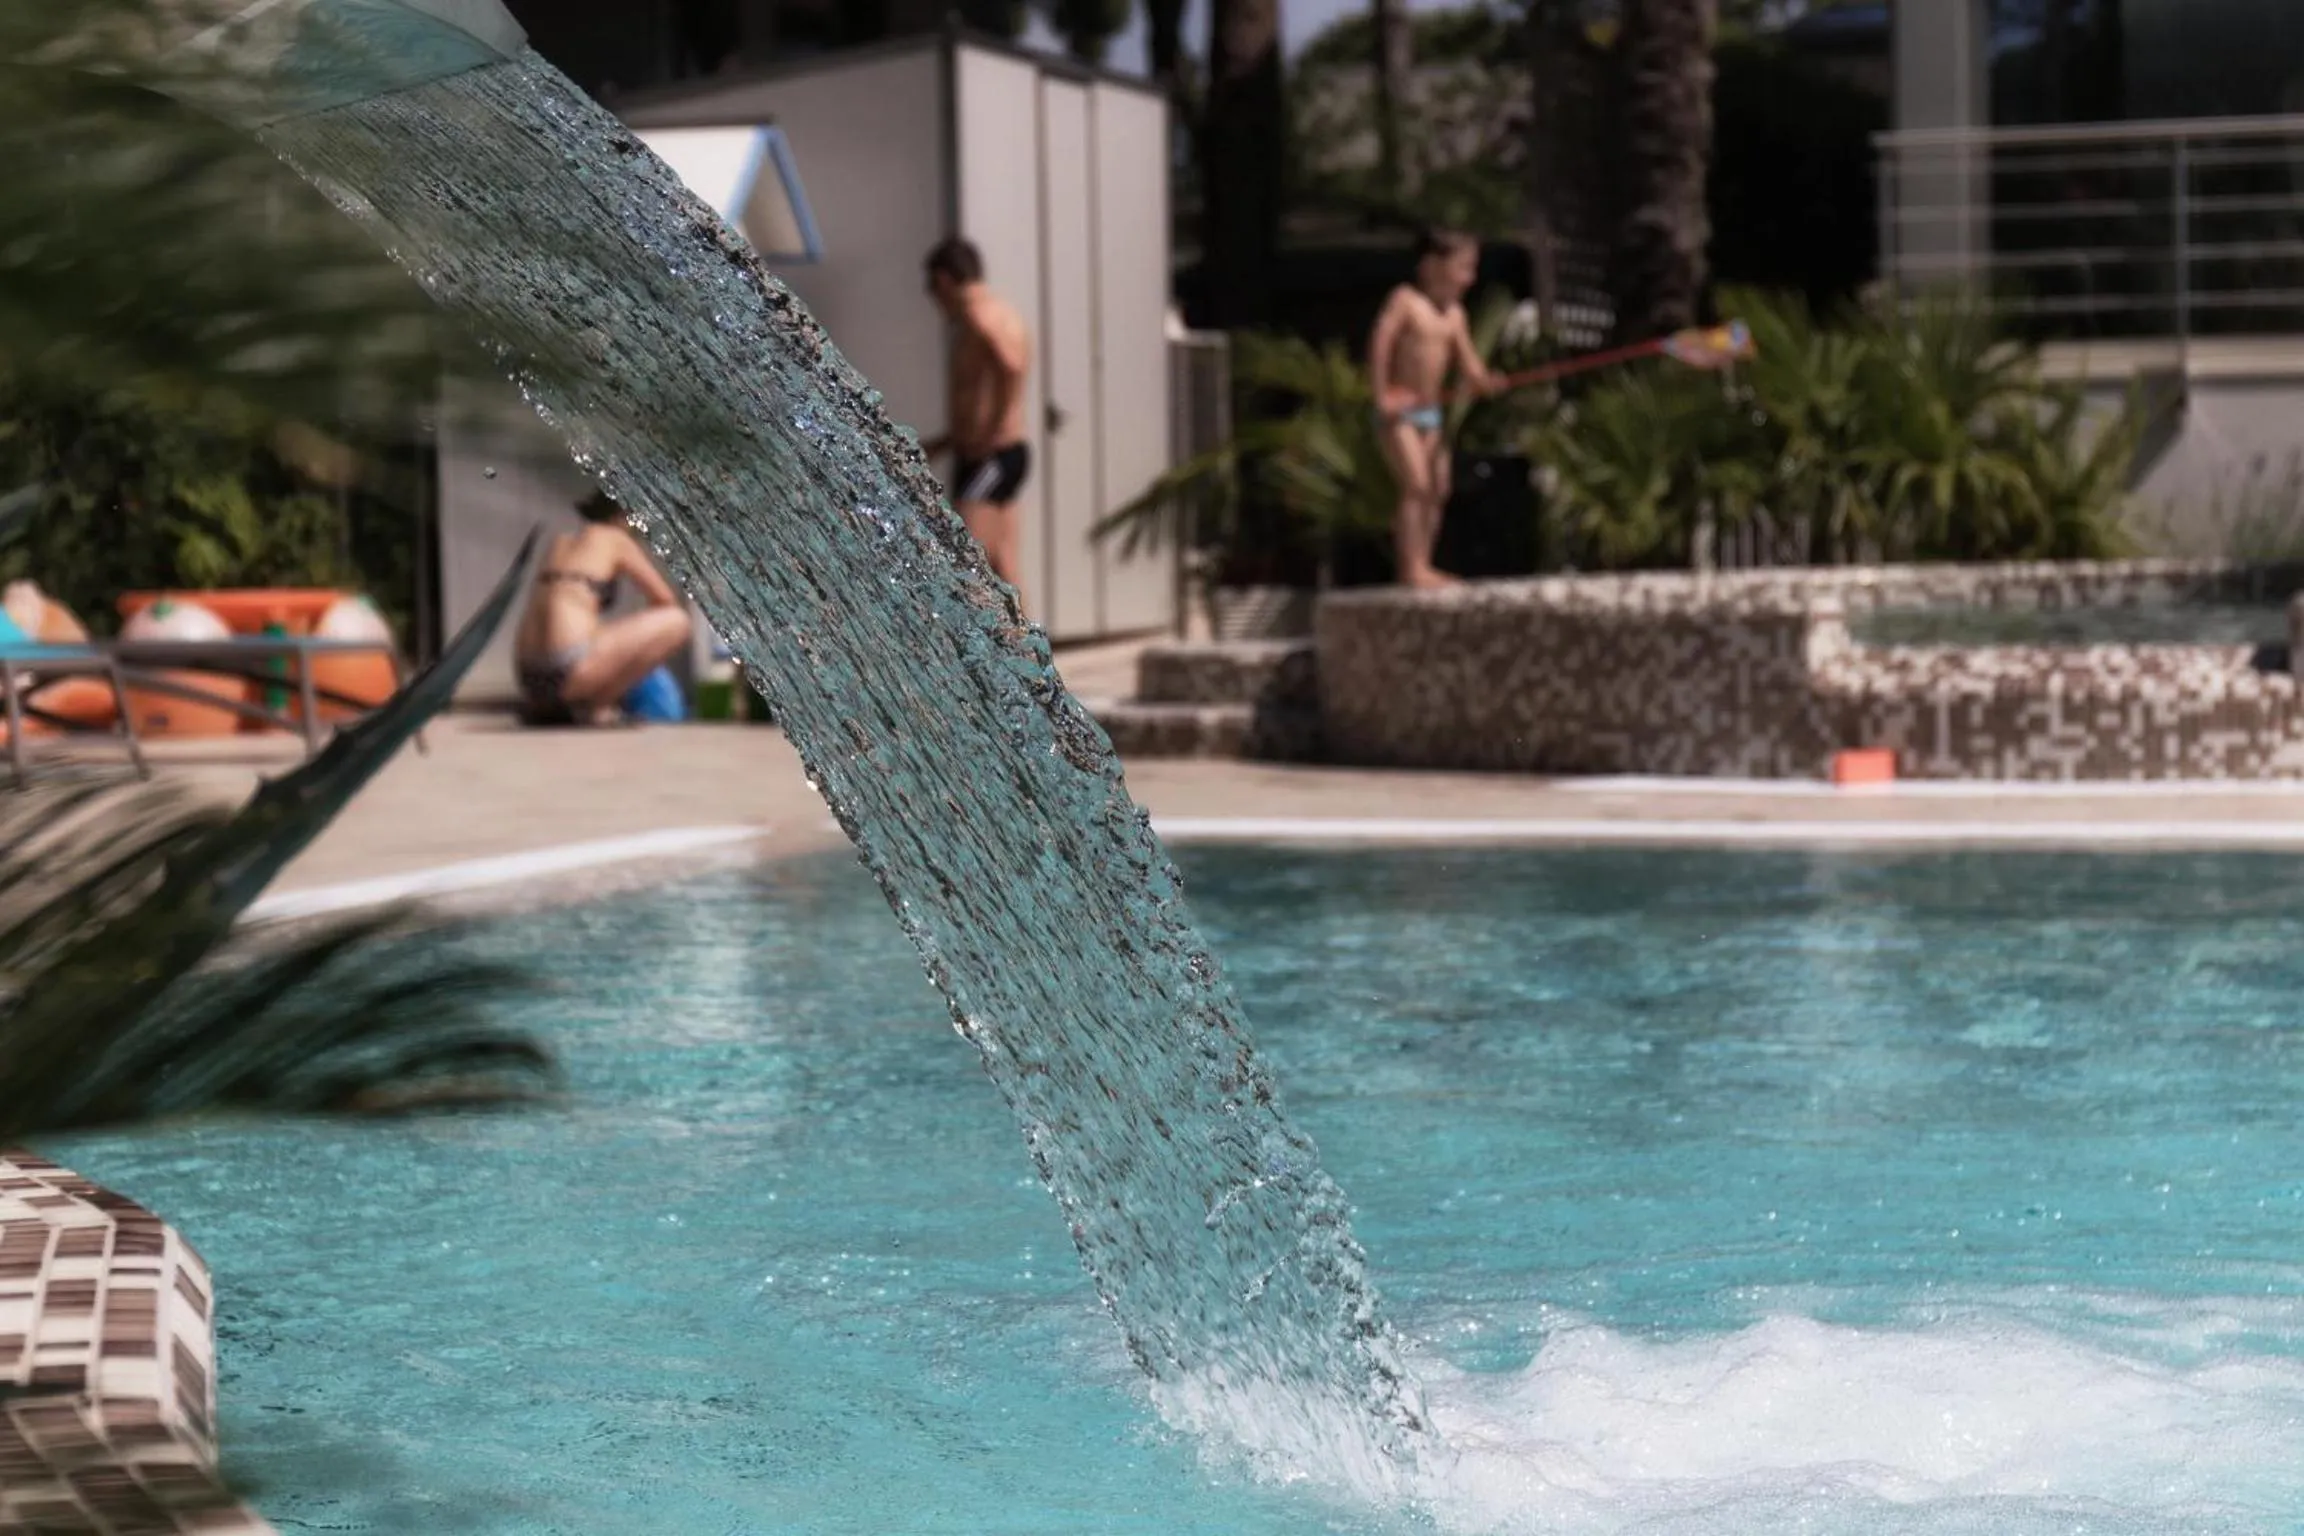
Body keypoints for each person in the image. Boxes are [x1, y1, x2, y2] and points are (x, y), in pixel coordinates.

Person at [1368, 228, 1500, 590]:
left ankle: (1423, 563)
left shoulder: (1455, 315)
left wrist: (1485, 381)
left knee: (1439, 487)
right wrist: (1381, 394)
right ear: (1431, 266)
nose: (1469, 278)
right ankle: (1411, 568)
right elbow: (1381, 344)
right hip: (1400, 411)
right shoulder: (1406, 301)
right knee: (1416, 483)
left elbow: (1470, 365)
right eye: (1462, 268)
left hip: (1431, 415)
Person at [512, 491, 691, 726]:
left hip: (528, 677)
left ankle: (551, 707)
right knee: (677, 621)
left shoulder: (560, 541)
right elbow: (665, 600)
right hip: (568, 668)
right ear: (622, 514)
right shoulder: (616, 540)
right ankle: (598, 707)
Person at [919, 236, 1034, 602]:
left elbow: (1011, 368)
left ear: (944, 280)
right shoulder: (999, 313)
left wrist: (995, 431)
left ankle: (979, 654)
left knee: (965, 563)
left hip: (991, 457)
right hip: (994, 455)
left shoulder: (977, 316)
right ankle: (1031, 655)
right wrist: (948, 440)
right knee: (1003, 566)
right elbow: (978, 397)